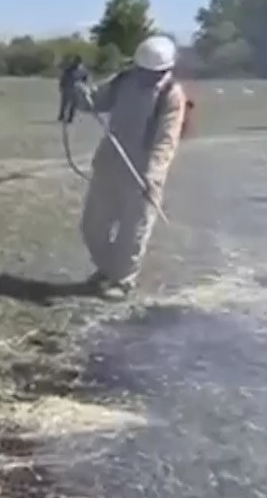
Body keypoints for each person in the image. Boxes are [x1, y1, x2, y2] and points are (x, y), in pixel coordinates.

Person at [74, 34, 187, 300]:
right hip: (110, 162)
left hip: (144, 171)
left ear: (166, 69)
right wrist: (80, 92)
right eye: (142, 71)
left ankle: (122, 280)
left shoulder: (171, 94)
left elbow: (166, 139)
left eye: (152, 73)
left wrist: (153, 174)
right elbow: (95, 101)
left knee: (132, 230)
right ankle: (108, 268)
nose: (145, 77)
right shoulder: (124, 80)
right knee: (93, 226)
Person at [57, 55, 89, 124]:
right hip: (68, 88)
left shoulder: (84, 70)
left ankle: (70, 117)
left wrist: (84, 87)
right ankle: (62, 115)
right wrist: (61, 85)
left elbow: (86, 80)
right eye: (77, 62)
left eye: (79, 62)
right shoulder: (69, 69)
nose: (78, 64)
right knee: (65, 103)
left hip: (77, 89)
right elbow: (64, 77)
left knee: (74, 104)